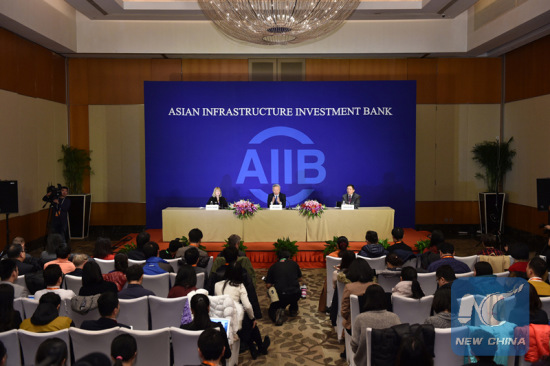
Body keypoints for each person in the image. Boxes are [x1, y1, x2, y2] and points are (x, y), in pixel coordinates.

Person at [215, 262, 269, 359]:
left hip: (221, 319)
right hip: (234, 321)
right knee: (251, 322)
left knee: (245, 319)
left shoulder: (217, 285)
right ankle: (260, 347)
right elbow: (248, 306)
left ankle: (253, 347)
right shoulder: (239, 286)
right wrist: (253, 318)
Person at [350, 284, 401, 366]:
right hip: (391, 362)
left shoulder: (360, 319)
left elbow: (354, 345)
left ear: (366, 299)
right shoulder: (394, 317)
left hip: (365, 362)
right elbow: (400, 341)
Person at [181, 294, 232, 362]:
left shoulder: (183, 329)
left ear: (191, 310)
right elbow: (227, 354)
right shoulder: (218, 328)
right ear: (208, 308)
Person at [265, 249, 303, 326]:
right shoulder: (294, 264)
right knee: (293, 297)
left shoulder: (273, 267)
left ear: (278, 258)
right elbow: (300, 279)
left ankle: (277, 314)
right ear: (289, 257)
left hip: (282, 295)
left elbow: (268, 285)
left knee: (272, 308)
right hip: (296, 294)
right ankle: (293, 310)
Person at [342, 259, 375, 334]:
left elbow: (344, 311)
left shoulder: (349, 288)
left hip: (354, 325)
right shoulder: (377, 286)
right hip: (375, 326)